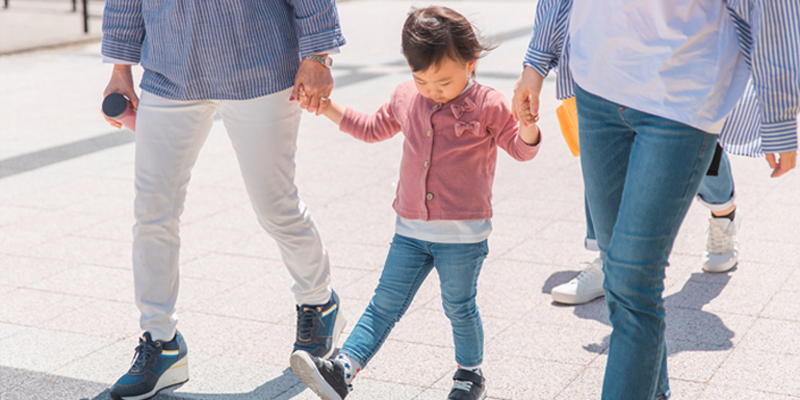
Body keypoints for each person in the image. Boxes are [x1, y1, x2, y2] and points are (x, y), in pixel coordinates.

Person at [515, 1, 797, 398]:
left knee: (633, 281)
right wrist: (536, 62)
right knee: (621, 277)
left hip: (683, 94)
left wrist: (780, 113)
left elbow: (775, 9)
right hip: (595, 82)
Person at [289, 6, 542, 400]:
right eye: (421, 79)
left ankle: (469, 375)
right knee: (382, 304)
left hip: (463, 236)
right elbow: (372, 128)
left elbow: (521, 150)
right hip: (408, 230)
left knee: (459, 307)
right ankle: (343, 370)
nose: (432, 90)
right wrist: (326, 107)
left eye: (443, 81)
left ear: (471, 64)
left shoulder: (488, 103)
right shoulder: (407, 97)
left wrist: (527, 125)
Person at [100, 1, 347, 399]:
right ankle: (161, 342)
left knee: (275, 205)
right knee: (152, 210)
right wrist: (120, 69)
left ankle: (319, 302)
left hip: (261, 64)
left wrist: (318, 54)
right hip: (169, 69)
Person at [517, 0, 744, 306]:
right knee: (601, 165)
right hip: (598, 68)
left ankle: (723, 214)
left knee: (700, 159)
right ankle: (607, 260)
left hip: (675, 68)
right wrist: (536, 64)